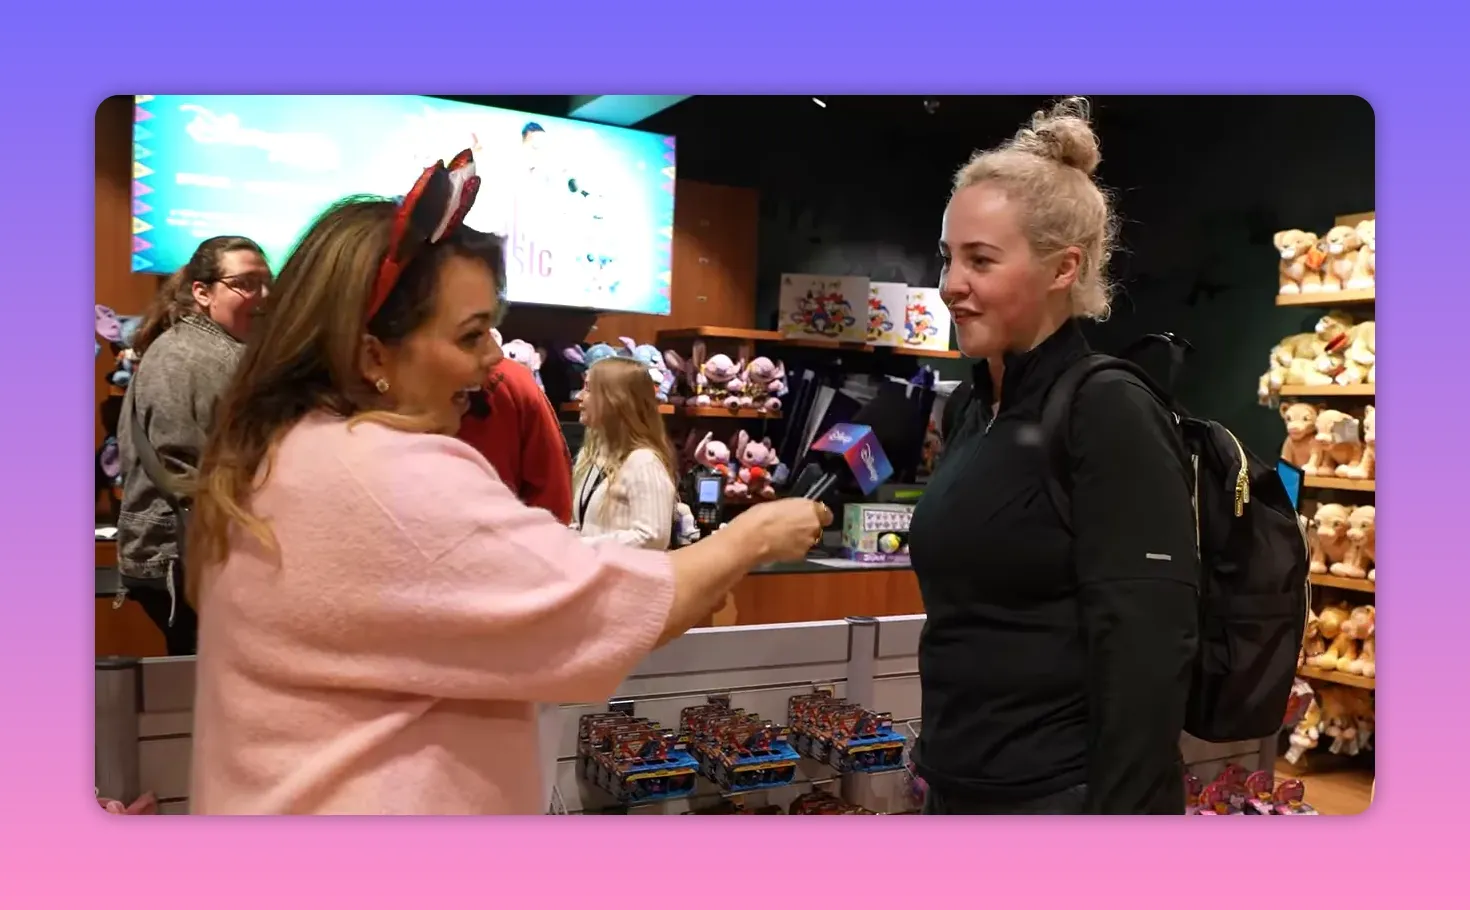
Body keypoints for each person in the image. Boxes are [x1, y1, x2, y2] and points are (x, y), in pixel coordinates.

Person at [185, 153, 830, 815]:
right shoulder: (386, 476)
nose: (495, 358)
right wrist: (752, 537)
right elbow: (600, 616)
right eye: (470, 335)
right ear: (371, 353)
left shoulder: (281, 455)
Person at [907, 98, 1199, 815]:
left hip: (1059, 800)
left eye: (980, 259)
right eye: (949, 257)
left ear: (1063, 268)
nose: (951, 284)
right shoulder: (970, 409)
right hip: (958, 785)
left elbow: (1146, 650)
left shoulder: (1109, 410)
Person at [116, 235, 271, 656]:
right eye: (246, 283)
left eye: (267, 282)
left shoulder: (213, 351)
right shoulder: (185, 356)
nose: (263, 296)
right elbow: (183, 470)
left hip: (198, 556)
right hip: (186, 560)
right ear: (202, 292)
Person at [456, 341, 573, 524]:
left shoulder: (513, 381)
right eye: (473, 334)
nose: (496, 352)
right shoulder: (514, 379)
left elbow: (552, 490)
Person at [571, 356, 680, 549]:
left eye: (588, 389)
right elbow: (587, 527)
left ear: (616, 400)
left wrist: (583, 545)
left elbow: (653, 537)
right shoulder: (590, 455)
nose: (579, 396)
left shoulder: (644, 463)